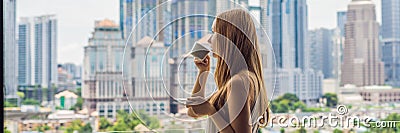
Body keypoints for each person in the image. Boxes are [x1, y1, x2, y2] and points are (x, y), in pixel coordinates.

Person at [186, 9, 270, 133]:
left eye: (214, 32)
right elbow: (193, 111)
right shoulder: (240, 79)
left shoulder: (238, 82)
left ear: (228, 38)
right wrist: (203, 72)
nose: (209, 40)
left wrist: (212, 112)